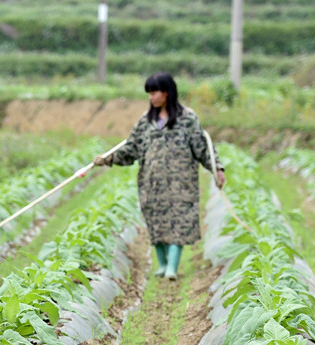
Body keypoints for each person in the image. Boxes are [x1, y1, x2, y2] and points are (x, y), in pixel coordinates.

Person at [93, 72, 226, 280]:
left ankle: (172, 267)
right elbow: (131, 150)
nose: (151, 97)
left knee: (179, 221)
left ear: (167, 93)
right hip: (151, 183)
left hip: (181, 183)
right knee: (156, 221)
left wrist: (217, 168)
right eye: (149, 93)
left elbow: (202, 149)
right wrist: (107, 159)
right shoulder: (145, 122)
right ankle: (162, 263)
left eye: (155, 92)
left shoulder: (188, 119)